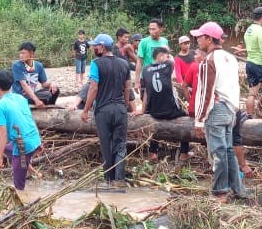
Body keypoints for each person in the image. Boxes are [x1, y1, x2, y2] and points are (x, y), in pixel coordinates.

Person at [193, 21, 247, 200]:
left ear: (209, 39)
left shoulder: (208, 61)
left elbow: (205, 92)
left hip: (216, 109)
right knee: (228, 150)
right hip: (230, 108)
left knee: (218, 152)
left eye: (200, 37)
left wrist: (199, 120)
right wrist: (235, 111)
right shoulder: (231, 58)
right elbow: (236, 87)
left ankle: (220, 192)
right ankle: (237, 190)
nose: (198, 40)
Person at [81, 33, 134, 187]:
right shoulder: (124, 64)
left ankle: (109, 180)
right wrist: (124, 105)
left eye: (95, 46)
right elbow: (127, 87)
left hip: (103, 110)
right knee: (120, 144)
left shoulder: (96, 63)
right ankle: (120, 180)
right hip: (120, 110)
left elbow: (93, 88)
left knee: (106, 145)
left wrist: (85, 110)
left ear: (102, 47)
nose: (94, 48)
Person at [136, 46, 190, 161]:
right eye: (165, 55)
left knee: (154, 124)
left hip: (154, 112)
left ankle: (153, 152)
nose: (167, 57)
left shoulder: (145, 69)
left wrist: (142, 110)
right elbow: (172, 60)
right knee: (185, 117)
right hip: (170, 111)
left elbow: (146, 92)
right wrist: (168, 55)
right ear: (160, 56)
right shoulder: (169, 64)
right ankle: (184, 152)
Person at [0, 70, 42, 190]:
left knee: (19, 188)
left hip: (22, 147)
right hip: (32, 139)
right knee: (8, 149)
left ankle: (25, 205)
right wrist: (38, 141)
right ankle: (35, 173)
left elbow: (3, 134)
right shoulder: (20, 98)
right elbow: (30, 119)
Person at [11, 41, 59, 108]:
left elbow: (44, 84)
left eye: (23, 53)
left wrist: (52, 83)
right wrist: (36, 100)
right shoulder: (16, 65)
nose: (21, 55)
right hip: (21, 96)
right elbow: (24, 85)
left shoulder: (38, 65)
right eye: (20, 53)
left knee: (55, 90)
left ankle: (49, 106)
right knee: (46, 95)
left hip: (32, 94)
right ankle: (42, 102)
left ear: (31, 53)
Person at [136, 19, 169, 88]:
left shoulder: (164, 41)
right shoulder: (143, 42)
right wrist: (137, 81)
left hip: (161, 76)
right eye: (150, 29)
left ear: (161, 29)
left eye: (154, 29)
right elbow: (139, 62)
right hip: (147, 76)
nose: (151, 32)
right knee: (146, 97)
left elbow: (166, 60)